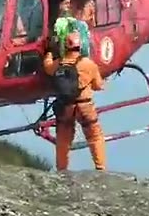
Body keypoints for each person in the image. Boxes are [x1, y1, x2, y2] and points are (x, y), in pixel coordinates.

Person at [43, 30, 106, 172]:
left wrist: (49, 52)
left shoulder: (59, 63)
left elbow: (48, 68)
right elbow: (98, 86)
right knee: (95, 136)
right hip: (85, 106)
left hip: (65, 106)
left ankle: (62, 170)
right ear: (81, 46)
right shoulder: (87, 64)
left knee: (63, 140)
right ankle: (100, 168)